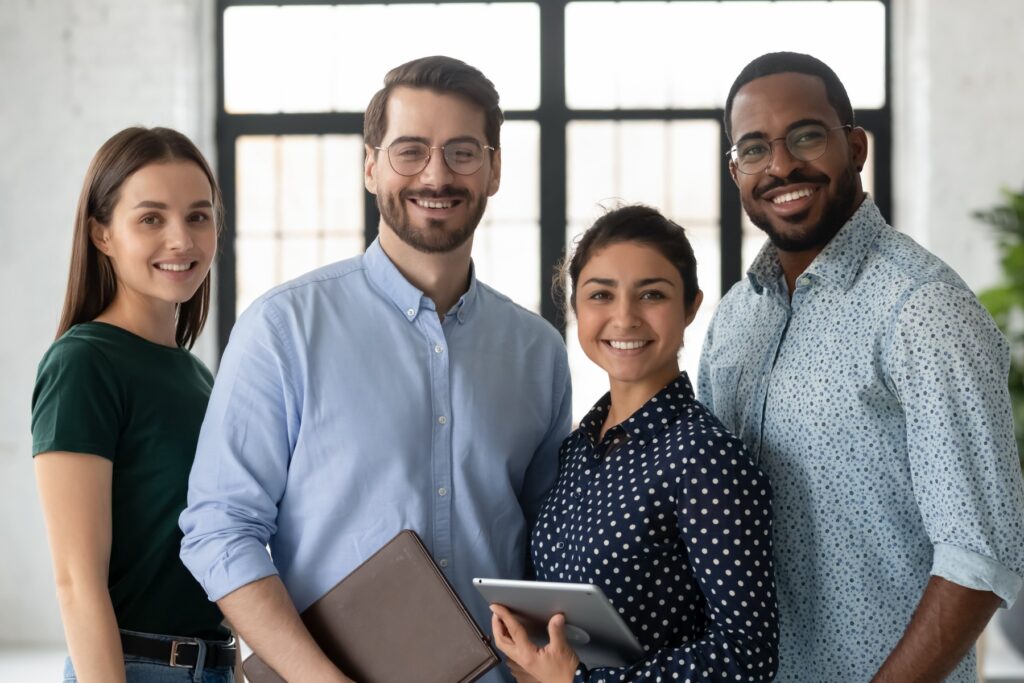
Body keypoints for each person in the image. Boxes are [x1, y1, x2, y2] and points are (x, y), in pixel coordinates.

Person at [178, 55, 572, 682]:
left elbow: (550, 544)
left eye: (463, 152)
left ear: (495, 169)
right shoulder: (283, 329)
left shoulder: (538, 351)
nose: (437, 175)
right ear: (371, 166)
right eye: (410, 151)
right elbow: (219, 531)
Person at [698, 51, 1024, 682]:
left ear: (855, 146)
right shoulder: (735, 319)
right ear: (736, 170)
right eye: (755, 148)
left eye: (806, 137)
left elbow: (979, 561)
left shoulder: (924, 309)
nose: (782, 164)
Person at [490, 205, 779, 683]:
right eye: (601, 294)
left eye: (652, 294)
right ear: (576, 307)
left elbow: (747, 657)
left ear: (690, 306)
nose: (624, 318)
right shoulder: (577, 448)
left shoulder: (707, 458)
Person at [31, 127, 235, 682]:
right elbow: (76, 581)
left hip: (211, 666)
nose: (182, 240)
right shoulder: (84, 363)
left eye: (198, 216)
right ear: (102, 234)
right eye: (151, 219)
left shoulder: (197, 376)